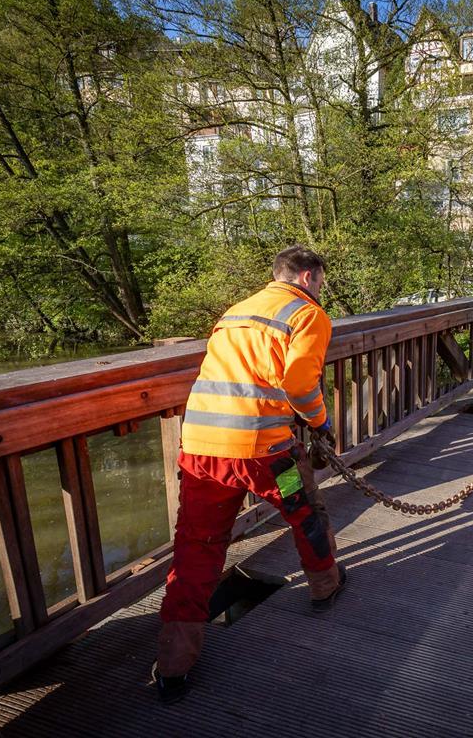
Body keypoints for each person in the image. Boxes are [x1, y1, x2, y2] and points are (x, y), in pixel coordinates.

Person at [153, 245, 345, 703]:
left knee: (195, 549)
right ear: (306, 277)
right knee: (305, 514)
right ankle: (324, 587)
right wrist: (321, 423)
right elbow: (299, 383)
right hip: (267, 453)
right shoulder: (306, 314)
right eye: (319, 281)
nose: (320, 290)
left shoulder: (235, 312)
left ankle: (174, 665)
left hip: (201, 448)